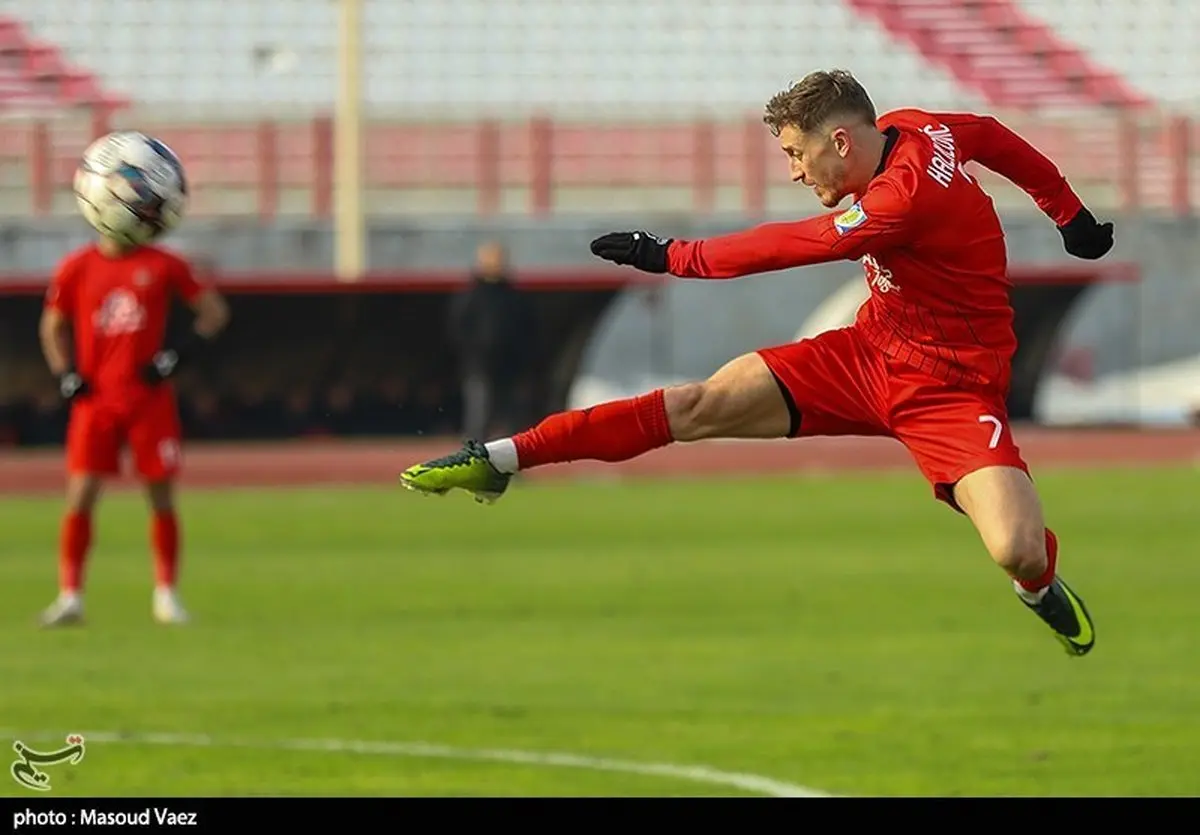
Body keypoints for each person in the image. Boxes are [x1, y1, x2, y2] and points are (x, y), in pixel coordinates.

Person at [399, 69, 1113, 657]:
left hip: (953, 392)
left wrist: (673, 255)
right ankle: (501, 458)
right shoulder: (917, 128)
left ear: (840, 141)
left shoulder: (899, 199)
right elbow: (988, 134)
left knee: (1017, 548)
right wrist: (1068, 213)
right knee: (697, 404)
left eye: (798, 154)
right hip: (865, 355)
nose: (795, 171)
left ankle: (1038, 591)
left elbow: (795, 244)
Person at [38, 235, 230, 627]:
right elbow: (52, 325)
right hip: (95, 401)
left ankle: (166, 595)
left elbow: (213, 312)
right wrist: (64, 373)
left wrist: (175, 357)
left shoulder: (163, 263)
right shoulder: (77, 266)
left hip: (148, 400)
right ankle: (70, 596)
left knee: (161, 495)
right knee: (81, 495)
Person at [448, 240, 538, 440]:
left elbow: (527, 330)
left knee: (512, 418)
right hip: (480, 366)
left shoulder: (514, 297)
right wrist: (473, 355)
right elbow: (459, 330)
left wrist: (523, 359)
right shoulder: (470, 296)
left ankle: (512, 457)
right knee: (479, 416)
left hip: (511, 366)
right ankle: (474, 456)